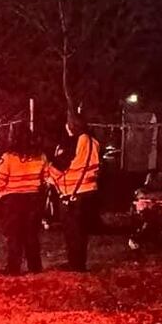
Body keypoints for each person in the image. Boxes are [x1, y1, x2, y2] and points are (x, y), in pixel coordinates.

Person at [51, 113, 101, 270]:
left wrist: (48, 170)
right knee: (82, 230)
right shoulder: (94, 142)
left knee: (72, 230)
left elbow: (62, 165)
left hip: (72, 192)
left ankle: (75, 264)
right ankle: (79, 262)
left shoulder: (75, 141)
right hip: (89, 191)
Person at [0, 126, 46, 274]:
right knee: (31, 234)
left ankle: (13, 268)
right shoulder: (40, 156)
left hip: (13, 200)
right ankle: (35, 267)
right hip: (33, 198)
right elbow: (46, 176)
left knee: (14, 236)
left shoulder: (8, 157)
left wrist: (2, 193)